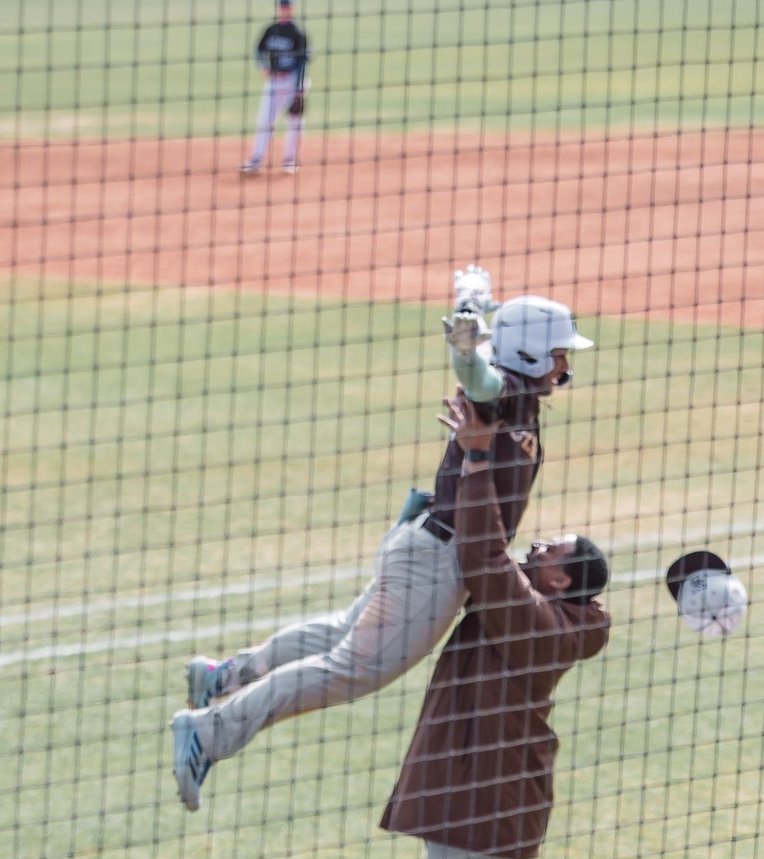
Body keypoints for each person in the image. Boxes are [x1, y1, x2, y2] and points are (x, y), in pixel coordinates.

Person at [171, 270, 595, 812]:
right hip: (435, 559)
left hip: (424, 545)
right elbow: (480, 377)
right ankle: (209, 731)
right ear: (533, 355)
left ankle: (222, 676)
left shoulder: (520, 395)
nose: (566, 365)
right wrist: (465, 350)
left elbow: (483, 362)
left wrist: (470, 306)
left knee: (341, 635)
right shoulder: (505, 394)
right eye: (559, 354)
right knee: (354, 668)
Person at [355, 394, 615, 859]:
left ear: (562, 582)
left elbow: (483, 556)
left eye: (550, 549)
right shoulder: (550, 611)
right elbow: (493, 553)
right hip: (495, 804)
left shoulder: (533, 620)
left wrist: (475, 459)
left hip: (483, 808)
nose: (535, 546)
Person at [240, 1, 310, 175]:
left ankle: (290, 161)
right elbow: (258, 49)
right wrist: (262, 65)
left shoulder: (298, 33)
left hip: (293, 81)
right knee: (265, 120)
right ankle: (256, 159)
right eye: (283, 6)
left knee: (296, 123)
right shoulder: (271, 30)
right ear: (280, 8)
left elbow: (302, 62)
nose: (286, 9)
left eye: (288, 6)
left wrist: (299, 88)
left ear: (292, 9)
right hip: (275, 82)